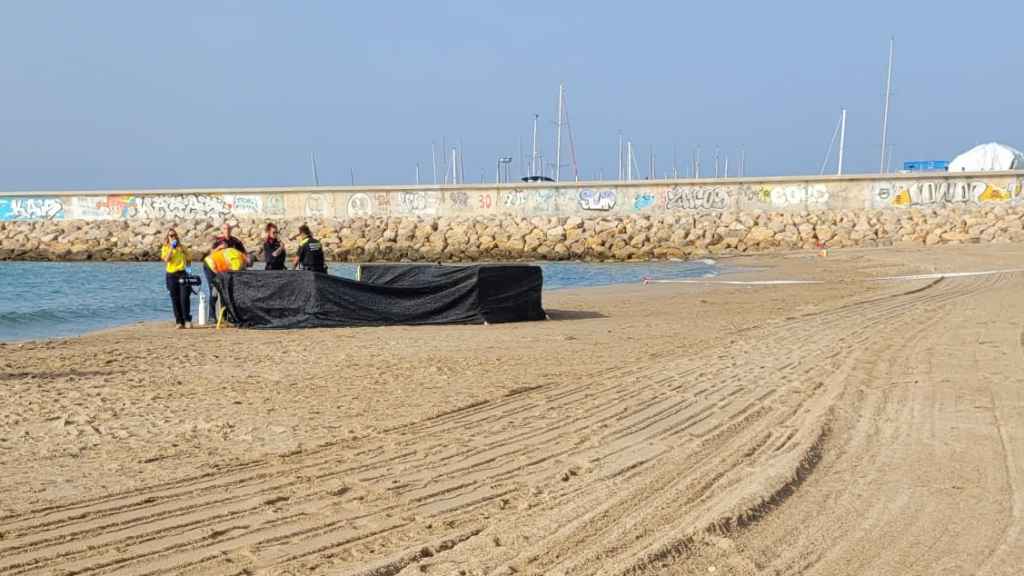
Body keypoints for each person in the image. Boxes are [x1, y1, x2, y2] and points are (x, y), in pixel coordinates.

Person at [202, 222, 250, 319]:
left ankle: (225, 315)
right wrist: (219, 248)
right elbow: (210, 254)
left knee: (226, 290)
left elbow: (244, 254)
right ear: (222, 230)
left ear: (231, 230)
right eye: (225, 229)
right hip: (212, 266)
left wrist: (245, 262)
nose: (227, 231)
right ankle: (212, 316)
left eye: (228, 229)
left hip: (226, 268)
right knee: (214, 290)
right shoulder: (219, 241)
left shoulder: (235, 241)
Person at [160, 228, 192, 329]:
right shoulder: (165, 248)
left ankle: (187, 320)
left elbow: (189, 260)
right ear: (168, 238)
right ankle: (179, 321)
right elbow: (166, 260)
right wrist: (171, 249)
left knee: (185, 297)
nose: (173, 237)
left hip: (183, 273)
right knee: (175, 299)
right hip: (171, 275)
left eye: (174, 235)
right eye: (171, 235)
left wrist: (189, 271)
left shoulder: (182, 248)